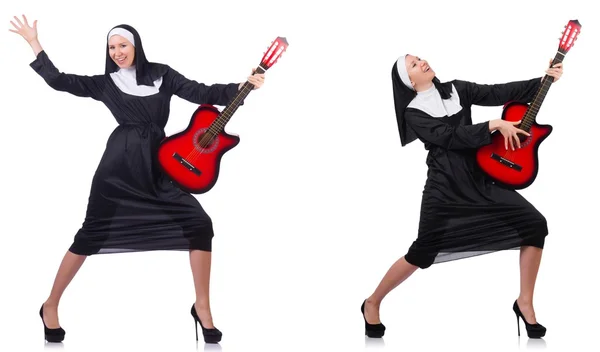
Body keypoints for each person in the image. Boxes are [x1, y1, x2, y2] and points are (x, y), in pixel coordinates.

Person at [9, 15, 265, 344]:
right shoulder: (104, 83)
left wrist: (244, 87)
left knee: (199, 223)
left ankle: (202, 307)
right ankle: (50, 304)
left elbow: (203, 92)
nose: (117, 52)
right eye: (111, 47)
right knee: (90, 235)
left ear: (136, 46)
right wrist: (34, 42)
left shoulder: (162, 75)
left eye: (122, 45)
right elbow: (58, 80)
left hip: (159, 166)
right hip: (117, 168)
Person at [360, 53, 563, 339]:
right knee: (421, 253)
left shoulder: (458, 89)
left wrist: (544, 81)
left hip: (480, 178)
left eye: (419, 58)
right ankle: (372, 301)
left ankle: (524, 302)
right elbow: (449, 137)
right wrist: (494, 125)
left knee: (534, 225)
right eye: (413, 65)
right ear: (409, 81)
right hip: (444, 188)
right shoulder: (413, 112)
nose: (421, 62)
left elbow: (500, 92)